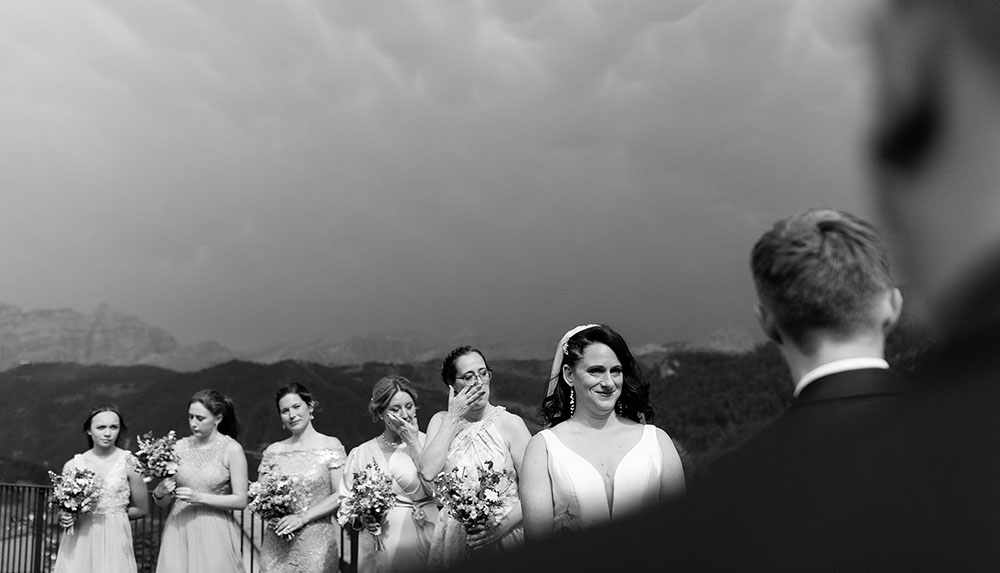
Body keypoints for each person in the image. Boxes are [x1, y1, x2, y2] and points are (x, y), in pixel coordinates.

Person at [520, 324, 685, 541]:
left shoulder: (657, 441)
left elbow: (681, 528)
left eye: (615, 371)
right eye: (596, 370)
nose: (608, 382)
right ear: (569, 375)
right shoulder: (543, 448)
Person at [420, 346, 531, 570]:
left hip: (505, 534)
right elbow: (428, 472)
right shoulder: (441, 421)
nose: (478, 383)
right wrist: (453, 417)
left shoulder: (511, 424)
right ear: (453, 385)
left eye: (483, 373)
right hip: (454, 536)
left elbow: (535, 491)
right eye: (468, 377)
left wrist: (498, 529)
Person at [340, 375, 439, 572]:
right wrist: (363, 517)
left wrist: (413, 443)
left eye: (409, 406)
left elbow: (440, 489)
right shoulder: (362, 453)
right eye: (395, 409)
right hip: (380, 541)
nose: (405, 414)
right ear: (380, 413)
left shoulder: (432, 444)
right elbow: (346, 502)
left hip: (427, 530)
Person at [153, 390, 248, 573]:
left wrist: (199, 497)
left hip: (214, 528)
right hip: (178, 525)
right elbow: (164, 502)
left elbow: (240, 500)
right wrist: (159, 493)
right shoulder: (178, 447)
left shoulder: (232, 450)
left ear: (217, 419)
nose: (193, 423)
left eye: (200, 418)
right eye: (190, 417)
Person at [257, 383, 347, 573]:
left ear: (310, 407)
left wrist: (302, 518)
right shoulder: (273, 451)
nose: (291, 414)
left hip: (315, 541)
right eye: (285, 411)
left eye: (296, 407)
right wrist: (270, 513)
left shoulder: (330, 445)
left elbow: (341, 493)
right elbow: (259, 496)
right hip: (277, 541)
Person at [53, 405, 148, 573]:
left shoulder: (130, 463)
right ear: (89, 430)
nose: (108, 433)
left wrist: (115, 515)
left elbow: (142, 509)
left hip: (115, 540)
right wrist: (66, 516)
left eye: (114, 427)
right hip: (80, 540)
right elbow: (64, 509)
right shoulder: (73, 465)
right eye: (101, 427)